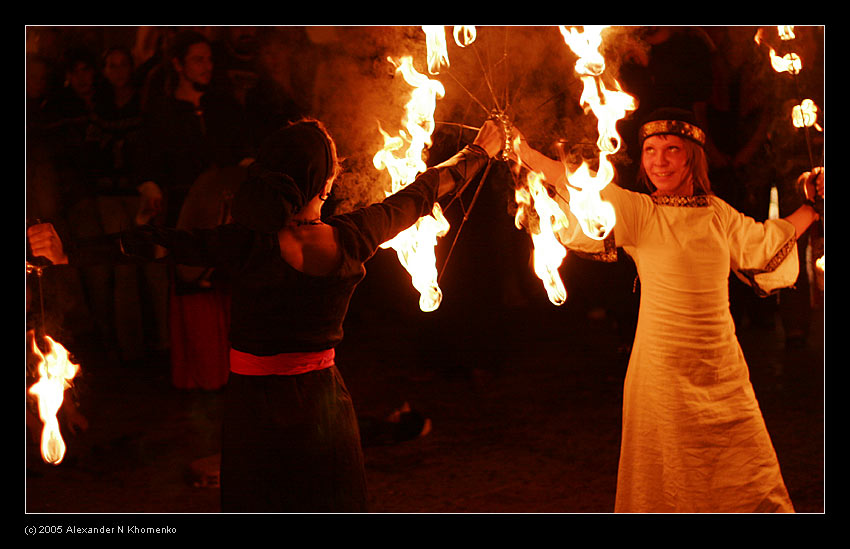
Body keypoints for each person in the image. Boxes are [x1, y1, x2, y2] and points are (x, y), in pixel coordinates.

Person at [28, 117, 505, 512]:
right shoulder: (355, 235)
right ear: (324, 182)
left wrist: (69, 250)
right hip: (324, 403)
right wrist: (479, 151)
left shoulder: (244, 243)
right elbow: (425, 192)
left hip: (257, 405)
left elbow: (156, 245)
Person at [511, 107, 823, 513]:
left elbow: (766, 242)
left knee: (744, 467)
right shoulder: (641, 213)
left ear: (693, 156)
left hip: (721, 367)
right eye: (651, 150)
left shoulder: (718, 214)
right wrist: (520, 149)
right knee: (669, 471)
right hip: (661, 370)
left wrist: (813, 206)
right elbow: (575, 183)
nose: (659, 161)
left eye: (672, 150)